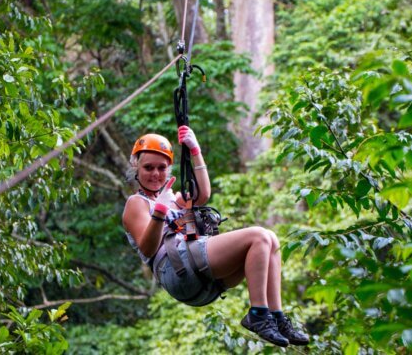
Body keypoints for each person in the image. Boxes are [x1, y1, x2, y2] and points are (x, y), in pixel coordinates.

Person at [122, 126, 310, 348]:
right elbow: (147, 248)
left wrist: (195, 150)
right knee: (258, 236)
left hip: (200, 278)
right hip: (175, 268)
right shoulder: (137, 203)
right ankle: (258, 314)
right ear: (136, 168)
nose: (155, 174)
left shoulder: (173, 198)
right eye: (148, 168)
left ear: (169, 169)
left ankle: (276, 316)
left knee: (270, 239)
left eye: (161, 168)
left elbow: (202, 195)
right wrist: (160, 212)